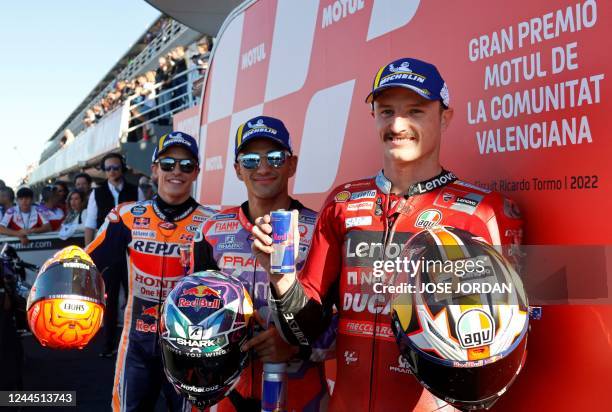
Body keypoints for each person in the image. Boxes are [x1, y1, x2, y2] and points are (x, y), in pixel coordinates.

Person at [250, 57, 524, 411]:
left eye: (415, 111)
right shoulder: (343, 203)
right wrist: (281, 278)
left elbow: (510, 346)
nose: (398, 124)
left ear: (445, 117)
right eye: (386, 111)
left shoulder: (484, 212)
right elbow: (307, 333)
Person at [190, 116, 334, 411]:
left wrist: (297, 347)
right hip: (227, 395)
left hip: (301, 395)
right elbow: (196, 311)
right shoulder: (211, 231)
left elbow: (348, 320)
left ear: (291, 164)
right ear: (237, 169)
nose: (264, 168)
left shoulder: (321, 228)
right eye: (251, 159)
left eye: (276, 157)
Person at [87, 131, 217, 411]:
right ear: (155, 169)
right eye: (168, 164)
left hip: (189, 347)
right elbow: (89, 263)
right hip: (137, 341)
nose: (177, 171)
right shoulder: (126, 215)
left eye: (186, 165)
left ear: (196, 171)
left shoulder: (212, 224)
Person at [84, 152, 141, 357]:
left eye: (116, 167)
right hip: (108, 254)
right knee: (109, 300)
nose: (112, 172)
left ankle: (134, 344)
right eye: (108, 168)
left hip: (132, 254)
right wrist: (88, 253)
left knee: (135, 299)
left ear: (122, 168)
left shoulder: (136, 190)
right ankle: (108, 346)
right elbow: (90, 224)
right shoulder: (96, 193)